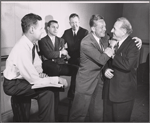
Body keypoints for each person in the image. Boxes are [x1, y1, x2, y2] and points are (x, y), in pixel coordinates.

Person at [69, 15, 142, 122]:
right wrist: (111, 48)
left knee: (97, 115)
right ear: (93, 29)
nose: (106, 29)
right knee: (78, 115)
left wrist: (138, 40)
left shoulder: (105, 38)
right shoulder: (86, 42)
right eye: (101, 27)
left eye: (105, 26)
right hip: (86, 83)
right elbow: (102, 59)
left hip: (100, 84)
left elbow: (123, 38)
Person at [3, 13, 67, 122]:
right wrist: (56, 79)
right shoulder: (22, 48)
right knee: (47, 91)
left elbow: (36, 63)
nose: (43, 31)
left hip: (22, 80)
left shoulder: (31, 44)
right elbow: (34, 80)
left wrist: (40, 73)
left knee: (48, 91)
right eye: (41, 28)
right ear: (32, 29)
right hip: (13, 84)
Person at [103, 17, 141, 122]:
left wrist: (113, 54)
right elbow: (106, 61)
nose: (111, 31)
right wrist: (105, 70)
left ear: (123, 31)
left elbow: (127, 65)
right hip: (109, 92)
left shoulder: (133, 44)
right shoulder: (113, 42)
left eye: (114, 29)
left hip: (123, 95)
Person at [62, 13, 89, 98]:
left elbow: (86, 48)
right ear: (69, 23)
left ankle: (72, 92)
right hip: (70, 59)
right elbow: (60, 43)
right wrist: (65, 53)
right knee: (75, 70)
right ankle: (73, 92)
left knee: (76, 69)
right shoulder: (67, 32)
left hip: (81, 59)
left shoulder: (84, 32)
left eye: (76, 22)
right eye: (72, 22)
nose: (75, 24)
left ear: (79, 22)